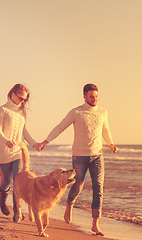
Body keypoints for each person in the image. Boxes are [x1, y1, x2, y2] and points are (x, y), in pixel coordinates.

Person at [36, 83, 117, 236]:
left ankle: (95, 223)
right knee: (78, 184)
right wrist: (46, 141)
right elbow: (60, 127)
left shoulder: (102, 112)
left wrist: (111, 143)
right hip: (79, 156)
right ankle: (70, 204)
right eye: (92, 96)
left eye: (97, 96)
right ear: (85, 96)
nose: (95, 99)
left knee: (98, 188)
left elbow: (105, 129)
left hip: (97, 155)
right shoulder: (76, 112)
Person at [0, 84, 38, 217]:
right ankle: (2, 199)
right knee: (7, 180)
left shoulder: (21, 113)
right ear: (12, 94)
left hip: (18, 152)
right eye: (20, 98)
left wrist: (34, 144)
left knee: (17, 181)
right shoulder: (2, 110)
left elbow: (24, 132)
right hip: (3, 152)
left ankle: (17, 211)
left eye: (24, 99)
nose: (22, 101)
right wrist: (6, 140)